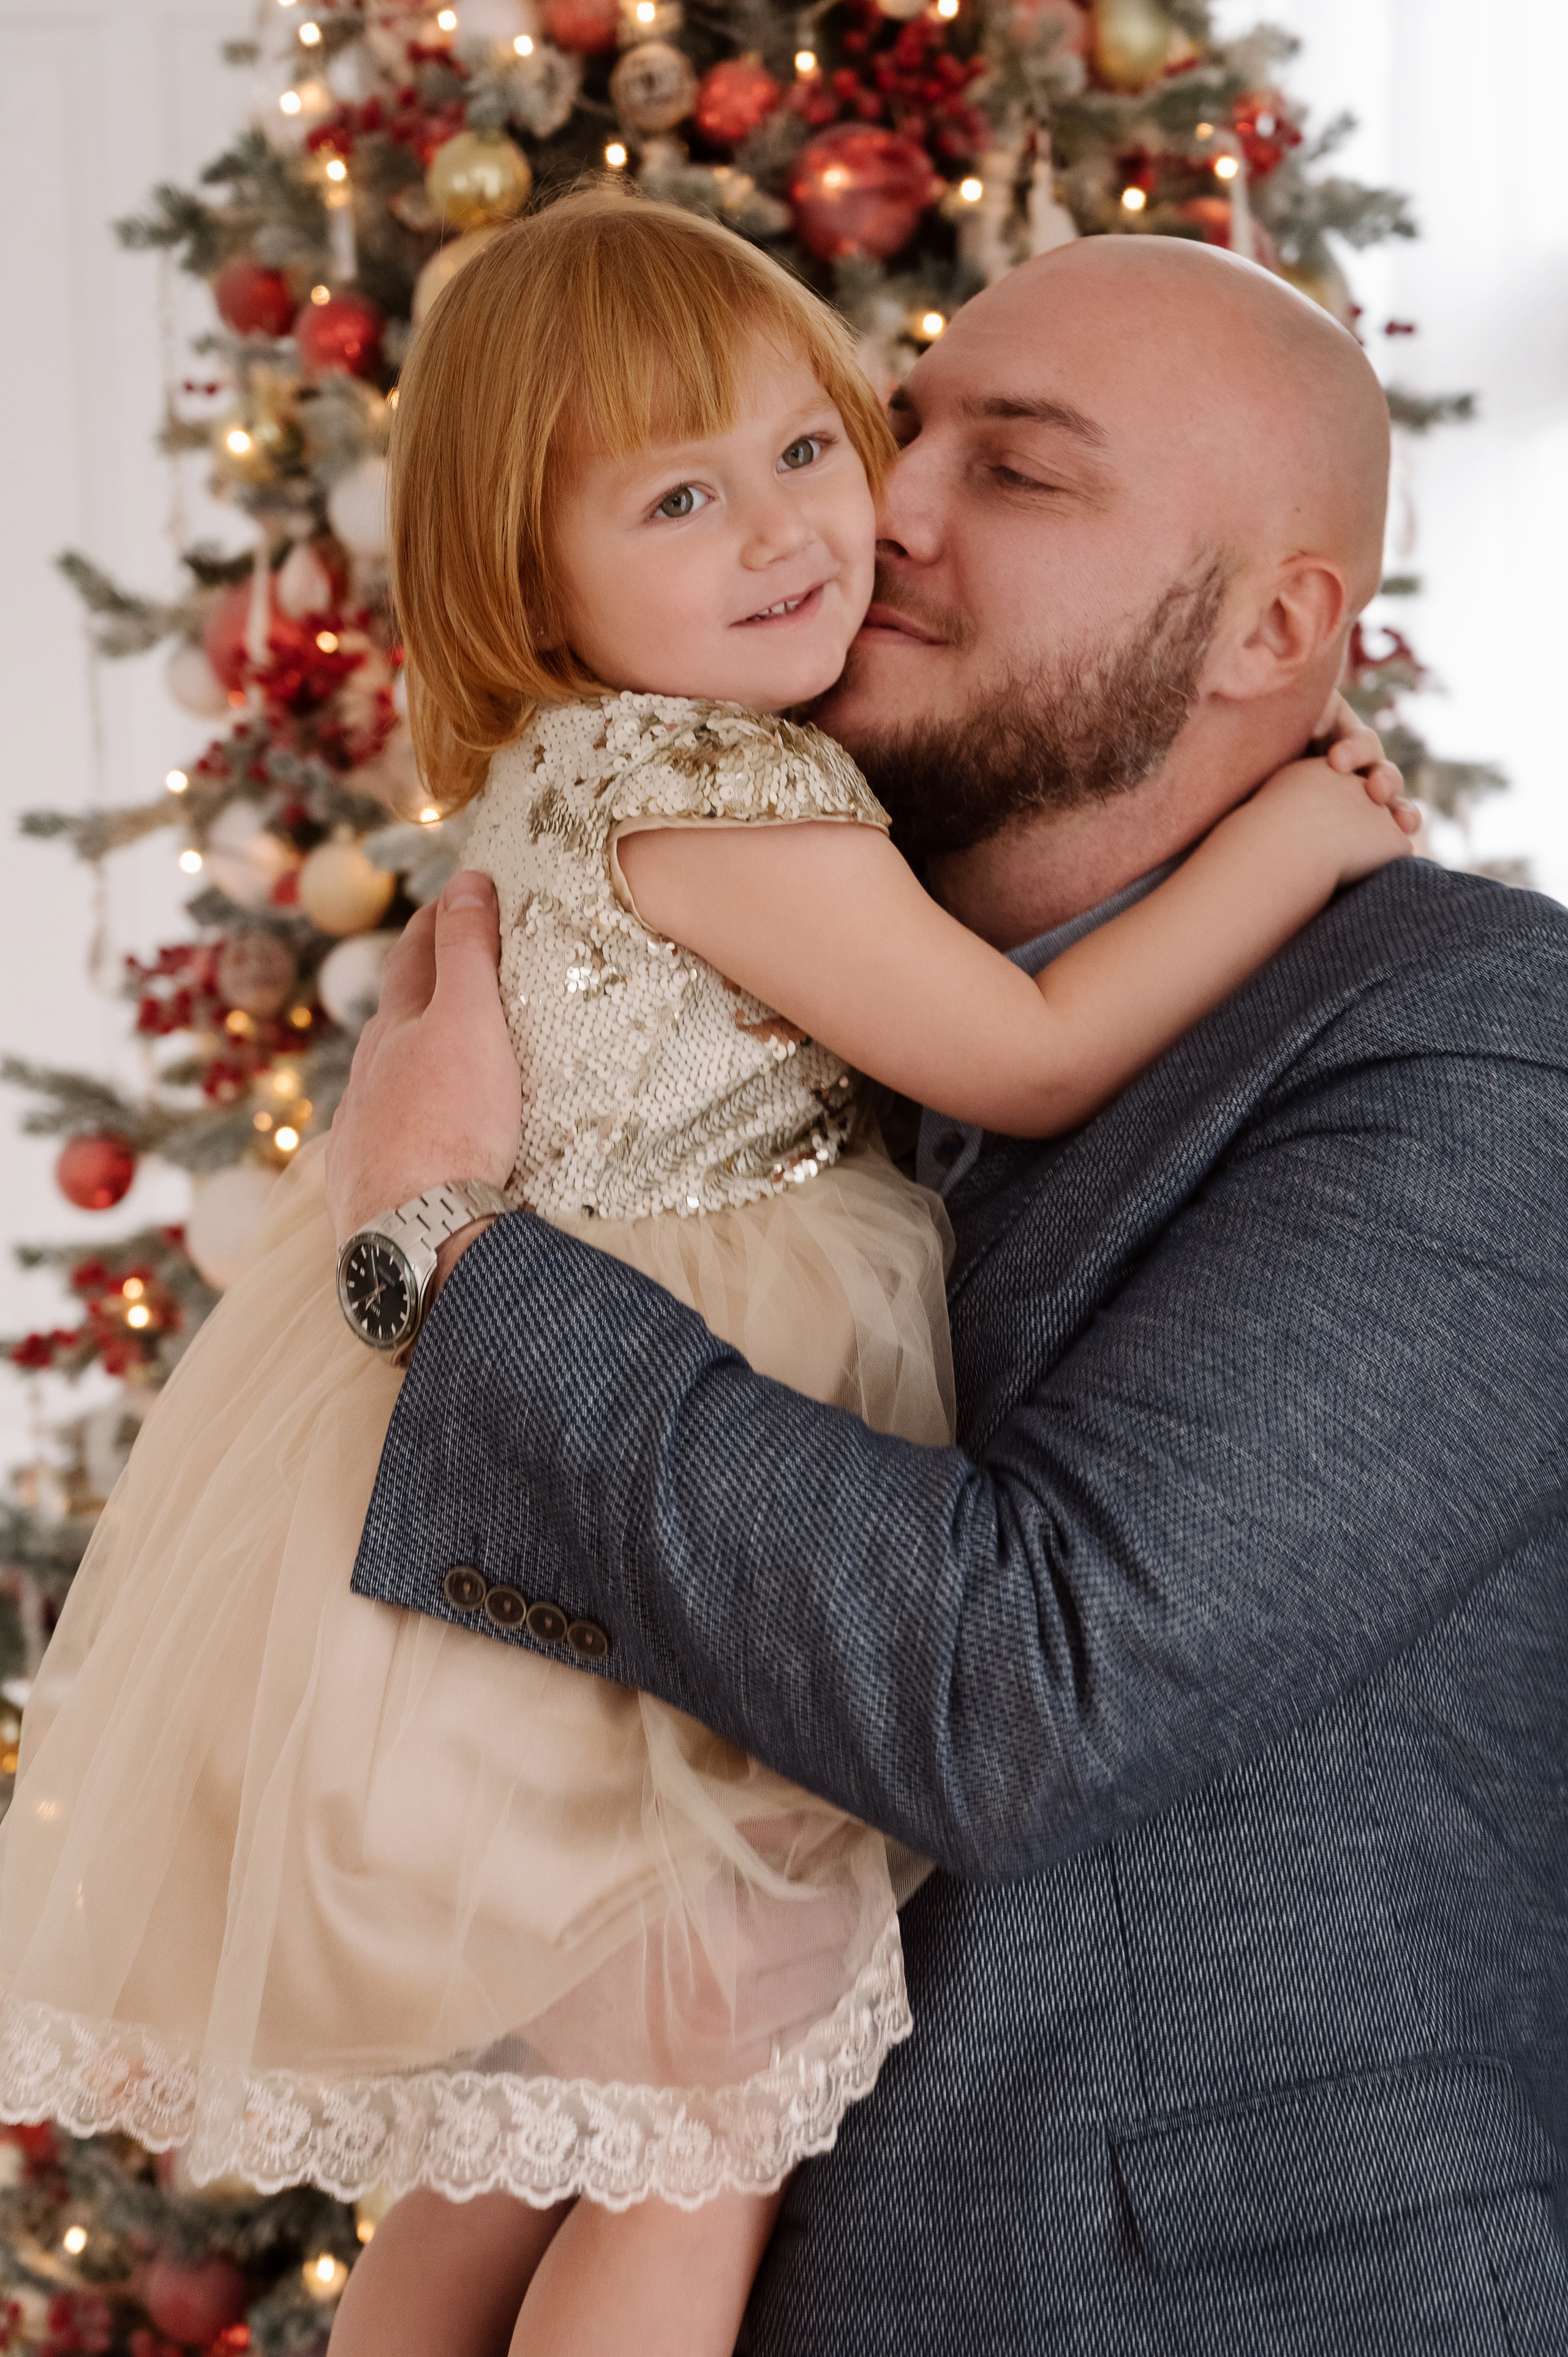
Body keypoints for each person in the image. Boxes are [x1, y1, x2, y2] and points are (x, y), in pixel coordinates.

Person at [0, 198, 1411, 2357]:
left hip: (490, 1526)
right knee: (701, 2144)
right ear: (526, 581)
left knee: (519, 2168)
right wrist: (1303, 839)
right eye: (680, 496)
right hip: (597, 1545)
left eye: (810, 447)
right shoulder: (704, 778)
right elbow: (1023, 1061)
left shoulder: (649, 771)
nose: (805, 534)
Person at [329, 231, 1568, 2352]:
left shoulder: (1476, 1043)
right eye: (904, 424)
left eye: (1025, 468)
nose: (880, 506)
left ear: (1283, 627)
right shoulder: (801, 1047)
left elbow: (1035, 1682)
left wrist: (443, 1258)